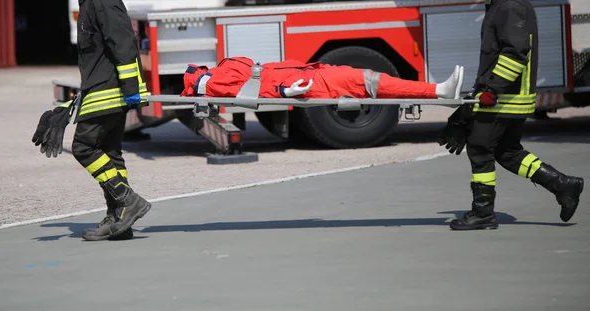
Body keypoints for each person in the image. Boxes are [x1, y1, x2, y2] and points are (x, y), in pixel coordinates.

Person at [437, 0, 584, 230]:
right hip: (507, 96)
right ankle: (562, 184)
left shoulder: (510, 6)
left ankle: (483, 212)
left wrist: (492, 89)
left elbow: (515, 54)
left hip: (504, 97)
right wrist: (463, 113)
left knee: (479, 147)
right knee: (507, 152)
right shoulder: (503, 5)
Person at [32, 0, 152, 241]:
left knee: (84, 147)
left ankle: (127, 200)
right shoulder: (90, 3)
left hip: (111, 90)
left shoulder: (102, 1)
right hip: (104, 88)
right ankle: (119, 219)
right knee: (109, 151)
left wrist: (130, 88)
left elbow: (123, 41)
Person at [180, 56, 465, 101]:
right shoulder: (210, 80)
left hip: (309, 72)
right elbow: (247, 93)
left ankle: (439, 91)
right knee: (369, 80)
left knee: (368, 80)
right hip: (303, 83)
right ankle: (439, 91)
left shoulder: (214, 71)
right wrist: (283, 91)